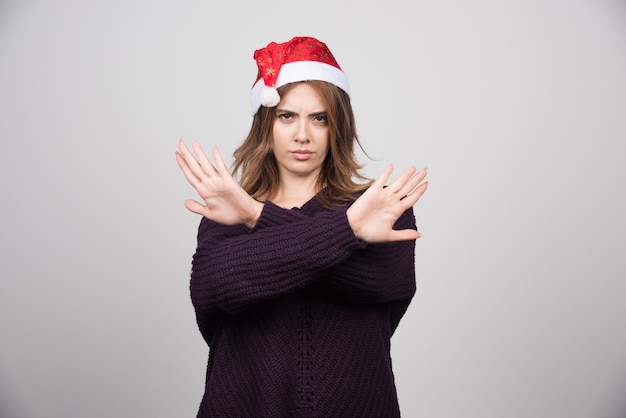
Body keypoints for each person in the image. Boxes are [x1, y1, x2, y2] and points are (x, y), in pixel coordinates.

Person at [175, 36, 428, 418]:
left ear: (337, 126)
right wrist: (348, 231)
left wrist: (258, 219)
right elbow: (219, 286)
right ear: (266, 123)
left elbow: (375, 283)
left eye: (319, 118)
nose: (302, 135)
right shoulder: (226, 214)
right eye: (287, 116)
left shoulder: (381, 208)